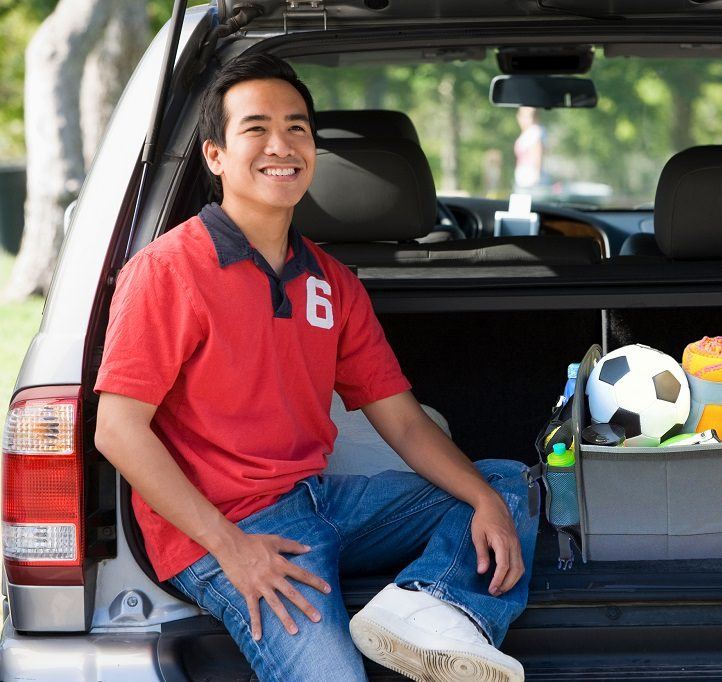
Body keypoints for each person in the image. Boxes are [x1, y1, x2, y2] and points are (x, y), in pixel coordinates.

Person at [93, 54, 537, 682]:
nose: (282, 144)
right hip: (227, 533)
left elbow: (405, 424)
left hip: (322, 501)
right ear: (215, 155)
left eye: (297, 128)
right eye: (256, 128)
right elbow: (117, 430)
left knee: (506, 487)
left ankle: (431, 606)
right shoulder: (169, 271)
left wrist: (485, 501)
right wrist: (232, 549)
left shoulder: (331, 282)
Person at [513, 106, 545, 192]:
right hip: (523, 180)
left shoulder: (534, 132)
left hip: (530, 182)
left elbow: (537, 154)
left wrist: (536, 176)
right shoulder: (527, 133)